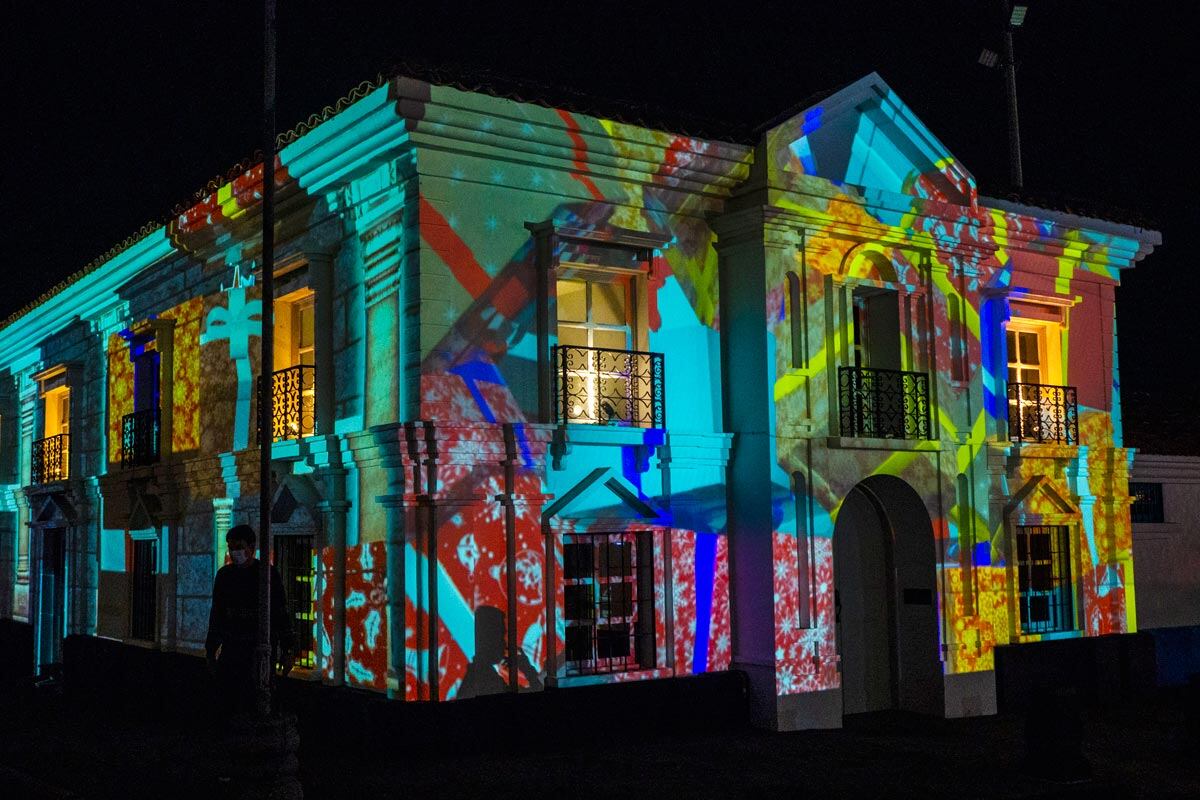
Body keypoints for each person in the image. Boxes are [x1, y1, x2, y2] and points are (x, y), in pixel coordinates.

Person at [205, 524, 295, 716]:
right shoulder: (225, 576)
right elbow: (217, 614)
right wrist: (211, 649)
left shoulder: (267, 575)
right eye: (231, 548)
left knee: (257, 701)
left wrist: (288, 648)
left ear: (252, 547)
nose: (234, 553)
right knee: (230, 701)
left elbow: (280, 612)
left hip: (258, 651)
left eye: (239, 547)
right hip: (233, 648)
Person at [458, 605, 542, 698]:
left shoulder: (482, 675)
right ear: (490, 638)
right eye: (501, 636)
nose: (505, 643)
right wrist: (526, 667)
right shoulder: (486, 679)